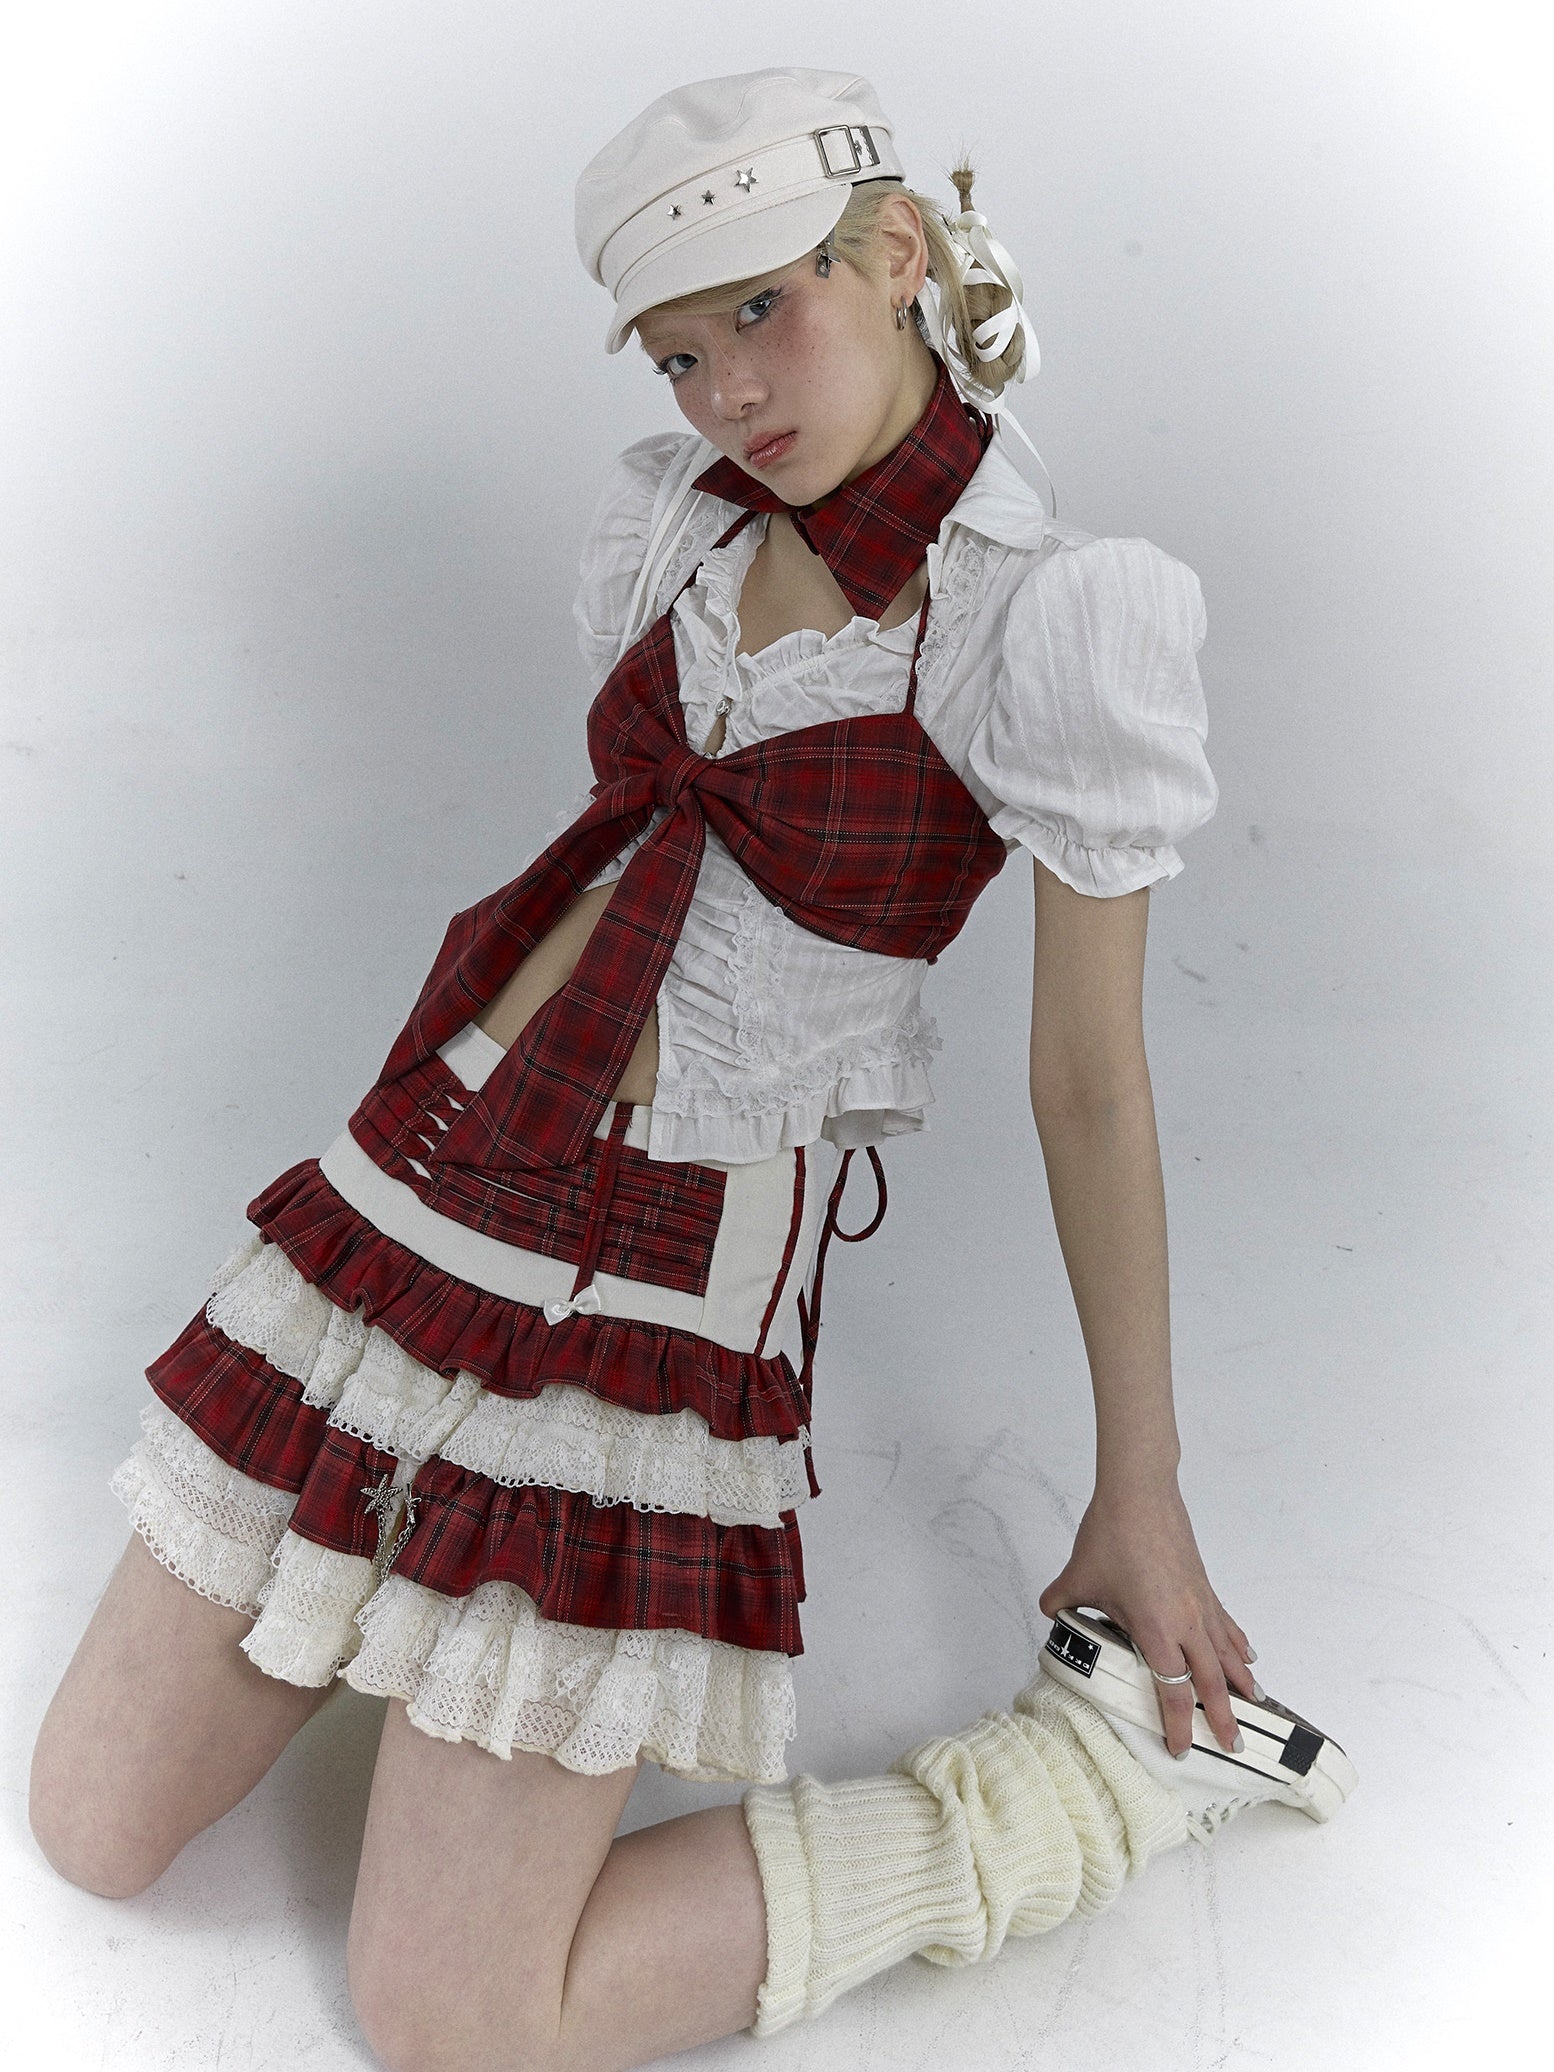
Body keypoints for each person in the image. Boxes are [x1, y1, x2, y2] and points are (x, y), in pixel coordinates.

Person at [28, 64, 1355, 2071]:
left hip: (656, 1277)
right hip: (428, 1168)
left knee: (453, 2018)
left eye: (760, 307)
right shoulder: (668, 524)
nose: (726, 388)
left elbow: (1089, 1085)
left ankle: (1088, 1778)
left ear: (895, 253)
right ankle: (418, 1613)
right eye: (675, 348)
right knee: (90, 1828)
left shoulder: (1050, 615)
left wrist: (1139, 1486)